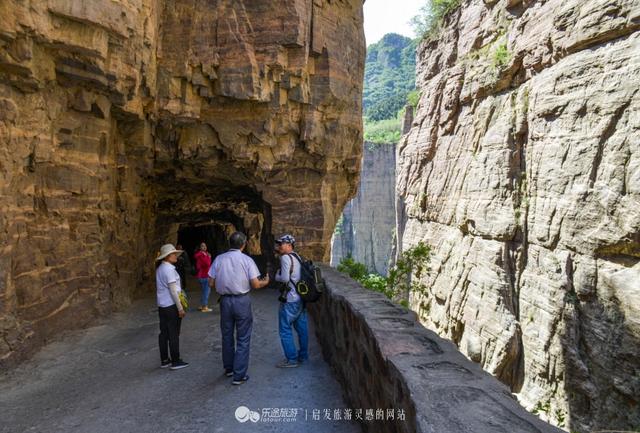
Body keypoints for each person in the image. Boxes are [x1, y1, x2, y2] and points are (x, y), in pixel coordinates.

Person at [208, 232, 269, 385]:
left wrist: (224, 286)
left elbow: (210, 283)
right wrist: (265, 282)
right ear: (244, 244)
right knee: (243, 337)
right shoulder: (247, 260)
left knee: (227, 335)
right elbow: (255, 284)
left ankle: (229, 368)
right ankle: (239, 374)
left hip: (225, 301)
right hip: (242, 301)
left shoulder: (219, 259)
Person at [274, 234, 308, 368]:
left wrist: (277, 275)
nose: (279, 246)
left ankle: (292, 359)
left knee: (285, 329)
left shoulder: (285, 258)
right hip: (301, 298)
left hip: (290, 300)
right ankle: (303, 356)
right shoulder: (297, 257)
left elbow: (284, 279)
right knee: (302, 329)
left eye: (281, 244)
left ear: (289, 245)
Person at [155, 243, 189, 370]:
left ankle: (164, 360)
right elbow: (174, 291)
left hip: (162, 305)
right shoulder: (169, 270)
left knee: (164, 333)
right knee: (174, 333)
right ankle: (176, 360)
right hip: (171, 305)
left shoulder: (160, 269)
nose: (176, 256)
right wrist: (180, 308)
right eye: (173, 254)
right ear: (167, 256)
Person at [194, 242, 212, 312]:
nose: (204, 247)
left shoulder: (203, 254)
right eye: (202, 246)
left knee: (204, 291)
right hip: (204, 275)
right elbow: (207, 264)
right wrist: (209, 257)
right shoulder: (202, 255)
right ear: (200, 248)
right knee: (206, 292)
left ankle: (202, 305)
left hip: (203, 275)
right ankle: (204, 306)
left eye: (205, 246)